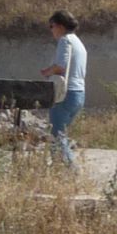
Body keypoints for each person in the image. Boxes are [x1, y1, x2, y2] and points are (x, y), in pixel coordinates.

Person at [40, 10, 87, 168]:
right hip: (78, 94)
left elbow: (61, 66)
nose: (51, 30)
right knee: (61, 135)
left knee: (57, 136)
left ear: (60, 26)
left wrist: (47, 72)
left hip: (65, 94)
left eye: (51, 26)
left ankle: (69, 170)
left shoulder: (65, 41)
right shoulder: (79, 43)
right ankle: (60, 168)